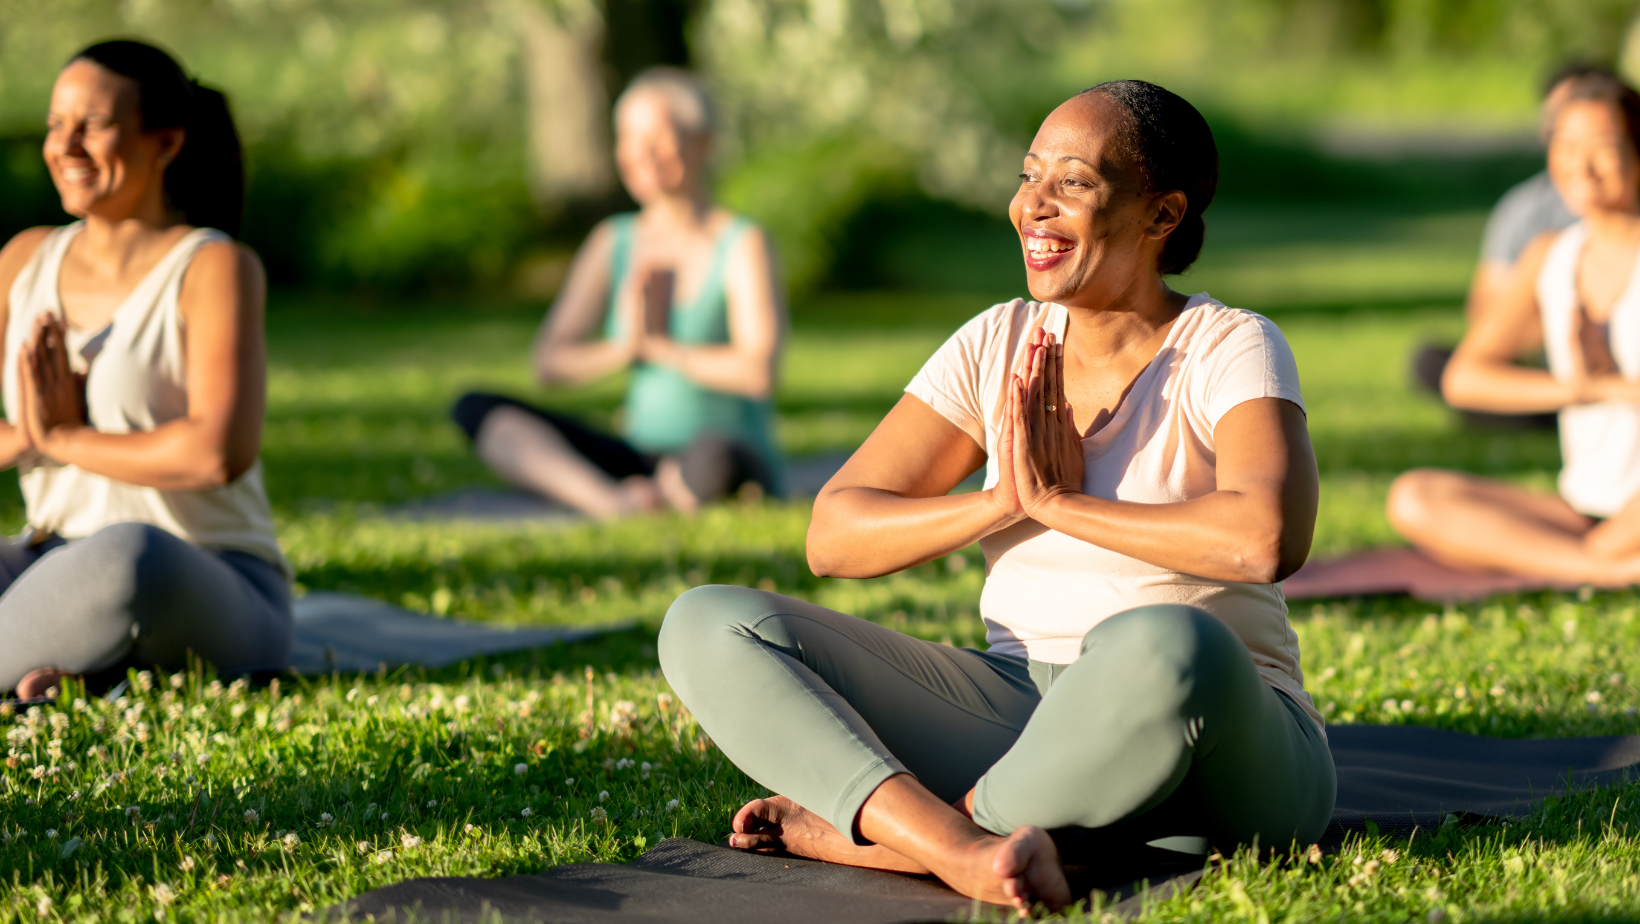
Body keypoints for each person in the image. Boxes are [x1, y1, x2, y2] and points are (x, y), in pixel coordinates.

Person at [657, 81, 1333, 910]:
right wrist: (1001, 502)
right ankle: (962, 849)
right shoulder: (997, 340)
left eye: (1073, 182)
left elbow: (1265, 537)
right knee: (708, 622)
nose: (1033, 207)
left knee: (1167, 642)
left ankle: (898, 840)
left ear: (1161, 216)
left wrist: (1060, 504)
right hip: (1020, 711)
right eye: (1027, 176)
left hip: (1220, 738)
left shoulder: (1228, 345)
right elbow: (834, 535)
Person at [0, 40, 290, 699]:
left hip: (202, 576)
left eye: (93, 126)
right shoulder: (23, 261)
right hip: (47, 557)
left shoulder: (212, 266)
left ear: (166, 142)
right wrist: (34, 433)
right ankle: (62, 666)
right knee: (76, 566)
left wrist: (69, 439)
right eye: (55, 124)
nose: (66, 145)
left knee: (130, 556)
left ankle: (57, 661)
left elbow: (217, 453)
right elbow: (19, 434)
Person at [452, 68, 785, 517]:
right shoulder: (614, 241)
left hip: (722, 449)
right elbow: (549, 363)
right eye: (628, 138)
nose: (641, 153)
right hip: (640, 453)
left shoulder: (742, 243)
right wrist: (625, 348)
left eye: (659, 137)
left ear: (703, 143)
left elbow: (758, 371)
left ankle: (676, 490)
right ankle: (614, 501)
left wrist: (669, 351)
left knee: (715, 459)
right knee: (480, 410)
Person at [1389, 72, 1640, 586]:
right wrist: (1581, 388)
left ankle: (1600, 558)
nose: (1582, 167)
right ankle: (1606, 568)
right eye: (1567, 146)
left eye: (1604, 148)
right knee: (1414, 497)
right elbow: (1464, 378)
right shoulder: (1551, 254)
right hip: (1587, 506)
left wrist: (1624, 389)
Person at [1411, 64, 1613, 427]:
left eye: (1601, 141)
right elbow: (1478, 337)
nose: (1583, 165)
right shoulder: (1541, 235)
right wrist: (1586, 387)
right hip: (1552, 380)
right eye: (1566, 138)